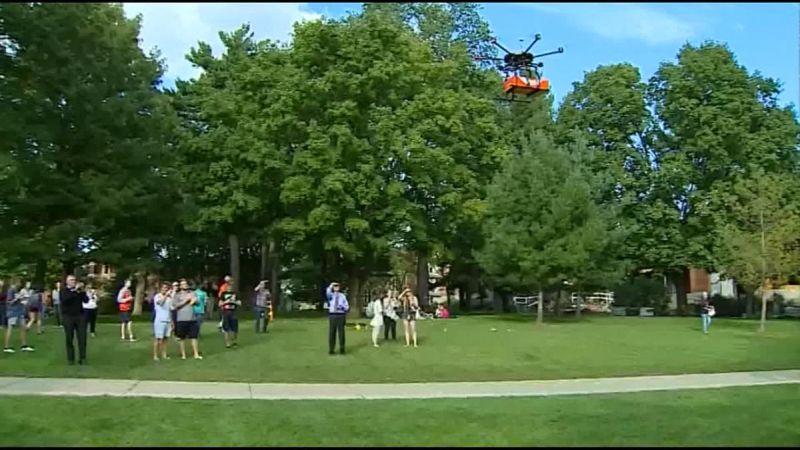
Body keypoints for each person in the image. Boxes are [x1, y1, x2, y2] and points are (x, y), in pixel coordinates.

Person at [172, 279, 202, 360]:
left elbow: (197, 303)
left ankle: (196, 354)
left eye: (186, 284)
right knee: (182, 338)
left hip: (192, 318)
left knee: (194, 337)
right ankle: (183, 355)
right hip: (181, 319)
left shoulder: (192, 293)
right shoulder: (177, 295)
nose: (185, 285)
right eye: (183, 284)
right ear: (180, 286)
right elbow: (175, 306)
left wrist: (195, 300)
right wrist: (186, 300)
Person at [61, 275, 87, 365]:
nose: (73, 281)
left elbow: (86, 300)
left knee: (82, 338)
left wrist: (83, 292)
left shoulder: (79, 291)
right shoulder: (64, 291)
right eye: (71, 280)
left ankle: (82, 358)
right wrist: (75, 291)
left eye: (74, 280)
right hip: (68, 317)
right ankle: (70, 359)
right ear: (67, 282)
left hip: (80, 316)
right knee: (69, 338)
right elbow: (65, 301)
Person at [3, 282, 34, 353]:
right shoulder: (10, 291)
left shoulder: (17, 291)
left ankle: (24, 346)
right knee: (10, 328)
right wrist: (18, 298)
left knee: (23, 328)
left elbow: (20, 300)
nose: (19, 284)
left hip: (19, 312)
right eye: (18, 283)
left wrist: (24, 298)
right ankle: (6, 347)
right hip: (12, 312)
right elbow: (9, 302)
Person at [326, 282, 349, 355]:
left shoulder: (342, 296)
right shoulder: (331, 296)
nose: (336, 287)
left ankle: (342, 348)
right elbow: (327, 291)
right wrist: (331, 284)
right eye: (335, 286)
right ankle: (331, 349)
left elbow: (347, 306)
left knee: (341, 333)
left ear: (339, 288)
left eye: (337, 286)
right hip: (332, 315)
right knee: (332, 332)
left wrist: (342, 307)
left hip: (341, 315)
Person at [152, 282, 172, 361]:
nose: (165, 289)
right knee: (158, 338)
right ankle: (155, 355)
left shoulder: (169, 298)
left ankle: (164, 354)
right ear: (161, 289)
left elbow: (170, 309)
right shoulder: (157, 296)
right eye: (163, 288)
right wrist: (166, 295)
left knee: (166, 339)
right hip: (160, 320)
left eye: (166, 288)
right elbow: (160, 303)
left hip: (167, 320)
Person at [218, 283, 241, 348]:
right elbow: (220, 304)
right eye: (228, 287)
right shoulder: (223, 294)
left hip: (233, 312)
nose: (229, 288)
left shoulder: (235, 294)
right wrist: (226, 302)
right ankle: (227, 343)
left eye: (231, 287)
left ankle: (234, 341)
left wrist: (233, 302)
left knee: (235, 328)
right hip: (226, 312)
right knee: (226, 328)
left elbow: (239, 303)